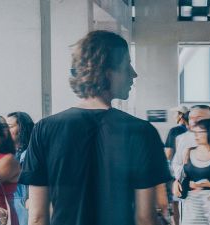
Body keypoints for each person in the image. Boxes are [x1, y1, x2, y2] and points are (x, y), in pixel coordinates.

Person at [19, 30, 171, 225]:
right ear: (107, 72)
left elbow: (38, 217)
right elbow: (145, 218)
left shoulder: (44, 129)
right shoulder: (142, 132)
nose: (134, 74)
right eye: (126, 66)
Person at [176, 119, 210, 224]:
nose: (196, 136)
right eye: (194, 132)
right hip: (193, 206)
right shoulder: (188, 152)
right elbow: (184, 176)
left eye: (200, 132)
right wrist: (176, 182)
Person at [170, 104, 210, 224]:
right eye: (192, 117)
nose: (194, 121)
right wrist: (177, 180)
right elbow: (177, 164)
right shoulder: (183, 139)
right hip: (193, 200)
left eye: (199, 117)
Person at [7, 111, 35, 225]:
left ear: (22, 128)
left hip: (24, 206)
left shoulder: (30, 154)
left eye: (9, 127)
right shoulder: (7, 154)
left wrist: (31, 198)